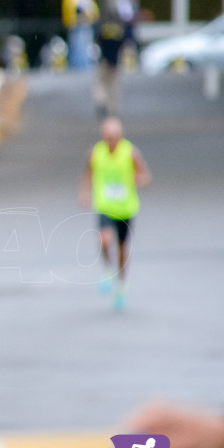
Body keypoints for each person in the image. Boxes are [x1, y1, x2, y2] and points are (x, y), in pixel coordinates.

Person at [79, 117, 151, 310]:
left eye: (114, 137)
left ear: (120, 136)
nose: (111, 140)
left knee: (122, 248)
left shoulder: (130, 153)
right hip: (105, 205)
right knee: (103, 239)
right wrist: (84, 192)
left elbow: (145, 175)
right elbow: (88, 172)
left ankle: (121, 284)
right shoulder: (96, 153)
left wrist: (139, 179)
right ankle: (107, 269)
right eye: (107, 137)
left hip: (126, 207)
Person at [93, 9, 131, 119]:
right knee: (114, 87)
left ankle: (101, 101)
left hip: (104, 60)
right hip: (115, 61)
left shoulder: (103, 28)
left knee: (101, 83)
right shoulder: (119, 30)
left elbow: (98, 41)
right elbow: (124, 43)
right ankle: (112, 109)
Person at [62, 0, 100, 71]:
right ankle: (81, 69)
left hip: (74, 26)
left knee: (76, 48)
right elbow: (88, 11)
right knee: (81, 50)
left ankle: (76, 68)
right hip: (81, 27)